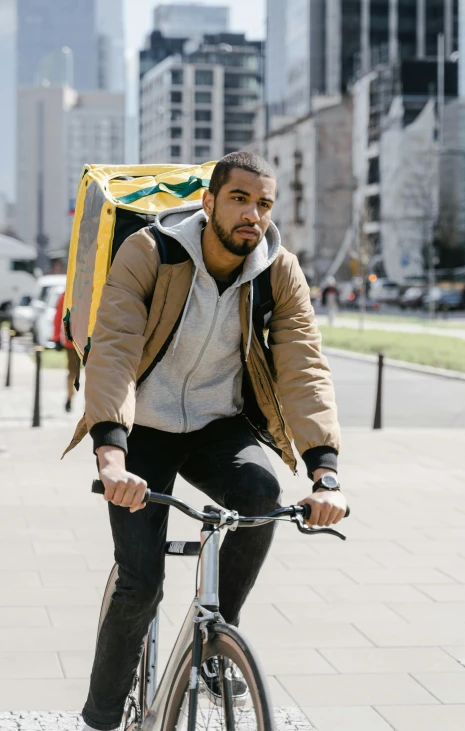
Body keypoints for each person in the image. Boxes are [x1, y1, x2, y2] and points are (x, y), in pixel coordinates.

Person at [73, 151, 345, 731]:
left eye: (264, 204)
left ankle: (222, 633)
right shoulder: (151, 252)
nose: (254, 214)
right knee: (140, 582)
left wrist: (326, 471)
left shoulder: (277, 269)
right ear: (209, 202)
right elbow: (115, 347)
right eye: (240, 199)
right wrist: (111, 454)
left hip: (216, 426)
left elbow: (304, 366)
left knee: (262, 493)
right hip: (142, 427)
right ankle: (97, 719)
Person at [52, 290, 77, 413]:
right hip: (72, 341)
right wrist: (56, 337)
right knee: (73, 372)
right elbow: (59, 316)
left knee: (92, 374)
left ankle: (89, 406)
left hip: (90, 341)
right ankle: (69, 398)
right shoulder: (67, 293)